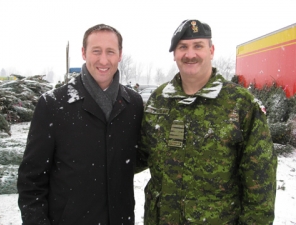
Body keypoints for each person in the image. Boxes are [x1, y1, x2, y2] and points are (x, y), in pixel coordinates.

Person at [139, 19, 277, 224]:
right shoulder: (159, 100)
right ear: (174, 54)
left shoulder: (240, 104)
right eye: (182, 47)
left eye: (198, 46)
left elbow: (260, 181)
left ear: (211, 51)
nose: (190, 54)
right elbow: (140, 153)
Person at [17, 24, 144, 225]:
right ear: (84, 53)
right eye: (96, 51)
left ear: (120, 55)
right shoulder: (53, 105)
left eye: (110, 51)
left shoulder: (133, 104)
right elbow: (31, 181)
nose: (103, 60)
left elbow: (136, 157)